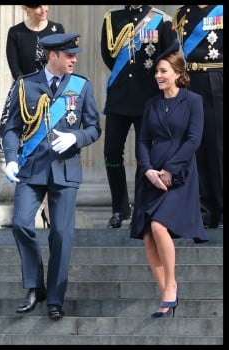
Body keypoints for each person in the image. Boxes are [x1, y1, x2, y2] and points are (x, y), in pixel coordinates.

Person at [2, 33, 101, 320]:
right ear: (52, 55)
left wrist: (76, 138)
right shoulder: (26, 85)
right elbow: (11, 127)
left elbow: (94, 128)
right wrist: (10, 158)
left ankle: (55, 299)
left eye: (74, 54)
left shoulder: (82, 86)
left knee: (61, 234)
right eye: (69, 54)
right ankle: (35, 286)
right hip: (31, 168)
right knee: (21, 223)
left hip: (65, 169)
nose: (74, 59)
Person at [130, 39, 208, 318]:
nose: (158, 76)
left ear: (177, 72)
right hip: (151, 174)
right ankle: (166, 294)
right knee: (148, 236)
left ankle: (171, 285)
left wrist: (170, 169)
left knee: (159, 225)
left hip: (180, 174)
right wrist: (148, 169)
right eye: (156, 72)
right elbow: (142, 140)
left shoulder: (193, 101)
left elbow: (193, 139)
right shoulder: (151, 104)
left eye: (163, 71)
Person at [100, 5, 178, 228]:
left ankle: (142, 209)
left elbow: (169, 55)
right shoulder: (111, 18)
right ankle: (120, 208)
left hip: (149, 97)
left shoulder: (161, 20)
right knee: (111, 152)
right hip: (120, 96)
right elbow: (108, 55)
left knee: (144, 155)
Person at [0, 5, 65, 227]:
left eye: (46, 4)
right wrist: (31, 94)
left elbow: (63, 64)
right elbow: (15, 70)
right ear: (26, 8)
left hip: (53, 99)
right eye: (37, 6)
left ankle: (48, 208)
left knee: (50, 150)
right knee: (27, 149)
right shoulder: (15, 32)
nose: (44, 9)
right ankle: (28, 208)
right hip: (25, 99)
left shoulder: (57, 29)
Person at [173, 5, 223, 229]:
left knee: (218, 148)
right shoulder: (182, 13)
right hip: (191, 83)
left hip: (217, 80)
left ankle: (221, 211)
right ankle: (204, 211)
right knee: (196, 147)